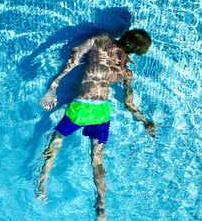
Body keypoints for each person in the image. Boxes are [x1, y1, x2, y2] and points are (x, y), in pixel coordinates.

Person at [37, 29, 156, 219]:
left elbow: (74, 55)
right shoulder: (127, 72)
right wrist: (144, 121)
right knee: (97, 161)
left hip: (82, 108)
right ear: (134, 53)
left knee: (55, 143)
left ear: (125, 35)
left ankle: (41, 188)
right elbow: (128, 104)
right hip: (101, 112)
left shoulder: (100, 40)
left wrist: (54, 85)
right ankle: (101, 207)